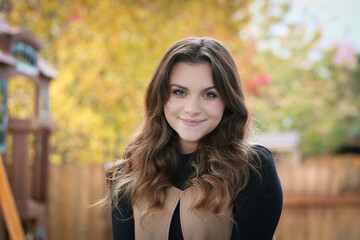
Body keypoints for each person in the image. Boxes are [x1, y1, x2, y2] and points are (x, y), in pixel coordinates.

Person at [103, 37, 283, 240]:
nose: (192, 109)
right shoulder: (128, 171)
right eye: (179, 92)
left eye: (209, 95)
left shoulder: (253, 168)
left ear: (228, 100)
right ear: (160, 95)